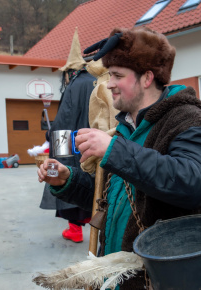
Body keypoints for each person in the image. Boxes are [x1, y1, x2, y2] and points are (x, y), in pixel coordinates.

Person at [38, 26, 201, 289]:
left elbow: (191, 181)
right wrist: (68, 180)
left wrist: (114, 150)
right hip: (117, 277)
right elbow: (112, 201)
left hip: (158, 279)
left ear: (147, 78)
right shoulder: (125, 128)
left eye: (117, 75)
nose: (109, 83)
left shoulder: (186, 118)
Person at [39, 27, 95, 243]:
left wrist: (51, 138)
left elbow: (64, 122)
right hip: (96, 144)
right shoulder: (98, 82)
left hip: (73, 145)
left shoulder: (74, 85)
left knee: (69, 178)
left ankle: (75, 230)